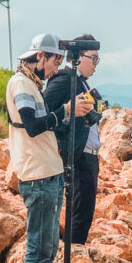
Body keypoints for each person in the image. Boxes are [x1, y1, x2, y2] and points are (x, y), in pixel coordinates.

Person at [6, 33, 92, 263]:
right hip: (38, 174)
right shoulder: (20, 84)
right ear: (40, 56)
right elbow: (31, 126)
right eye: (56, 61)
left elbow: (43, 124)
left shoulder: (32, 84)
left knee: (48, 246)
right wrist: (66, 111)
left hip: (50, 172)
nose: (58, 68)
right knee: (38, 246)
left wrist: (68, 115)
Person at [44, 34, 101, 246]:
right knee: (79, 213)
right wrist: (68, 117)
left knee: (85, 212)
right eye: (93, 58)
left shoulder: (81, 82)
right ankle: (73, 257)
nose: (96, 64)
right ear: (77, 56)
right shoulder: (65, 79)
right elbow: (46, 115)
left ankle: (76, 253)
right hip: (77, 156)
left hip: (88, 156)